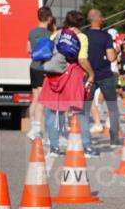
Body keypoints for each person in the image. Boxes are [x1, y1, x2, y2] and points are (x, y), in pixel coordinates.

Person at [39, 10, 94, 157]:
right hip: (72, 75)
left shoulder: (56, 34)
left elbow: (47, 53)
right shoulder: (81, 37)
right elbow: (82, 59)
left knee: (52, 112)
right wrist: (91, 74)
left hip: (53, 76)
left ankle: (54, 148)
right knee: (79, 112)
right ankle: (87, 147)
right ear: (80, 23)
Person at [83, 9, 121, 147]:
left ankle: (84, 139)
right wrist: (117, 51)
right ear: (99, 20)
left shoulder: (83, 35)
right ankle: (114, 139)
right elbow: (111, 58)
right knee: (112, 106)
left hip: (88, 75)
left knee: (85, 107)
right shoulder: (106, 37)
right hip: (105, 75)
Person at [26, 6, 54, 142]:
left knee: (35, 98)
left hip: (33, 67)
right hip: (43, 68)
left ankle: (33, 128)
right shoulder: (49, 34)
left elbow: (28, 50)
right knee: (43, 100)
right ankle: (36, 130)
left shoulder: (31, 32)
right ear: (49, 18)